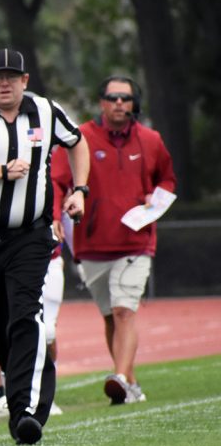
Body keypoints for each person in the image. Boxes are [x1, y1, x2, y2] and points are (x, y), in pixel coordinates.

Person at [0, 48, 89, 444]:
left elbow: (77, 142)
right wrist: (0, 172)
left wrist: (79, 189)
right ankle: (23, 402)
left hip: (32, 236)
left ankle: (25, 411)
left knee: (25, 315)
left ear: (25, 81)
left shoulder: (45, 110)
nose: (5, 83)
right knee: (0, 325)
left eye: (12, 76)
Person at [50, 75, 176, 405]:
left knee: (124, 311)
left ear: (135, 103)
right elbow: (58, 181)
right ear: (102, 102)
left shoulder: (151, 140)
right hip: (92, 242)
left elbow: (167, 179)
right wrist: (53, 218)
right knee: (109, 315)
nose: (119, 103)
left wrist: (156, 198)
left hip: (136, 240)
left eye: (125, 98)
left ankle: (119, 377)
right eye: (112, 97)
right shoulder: (81, 139)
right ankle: (130, 381)